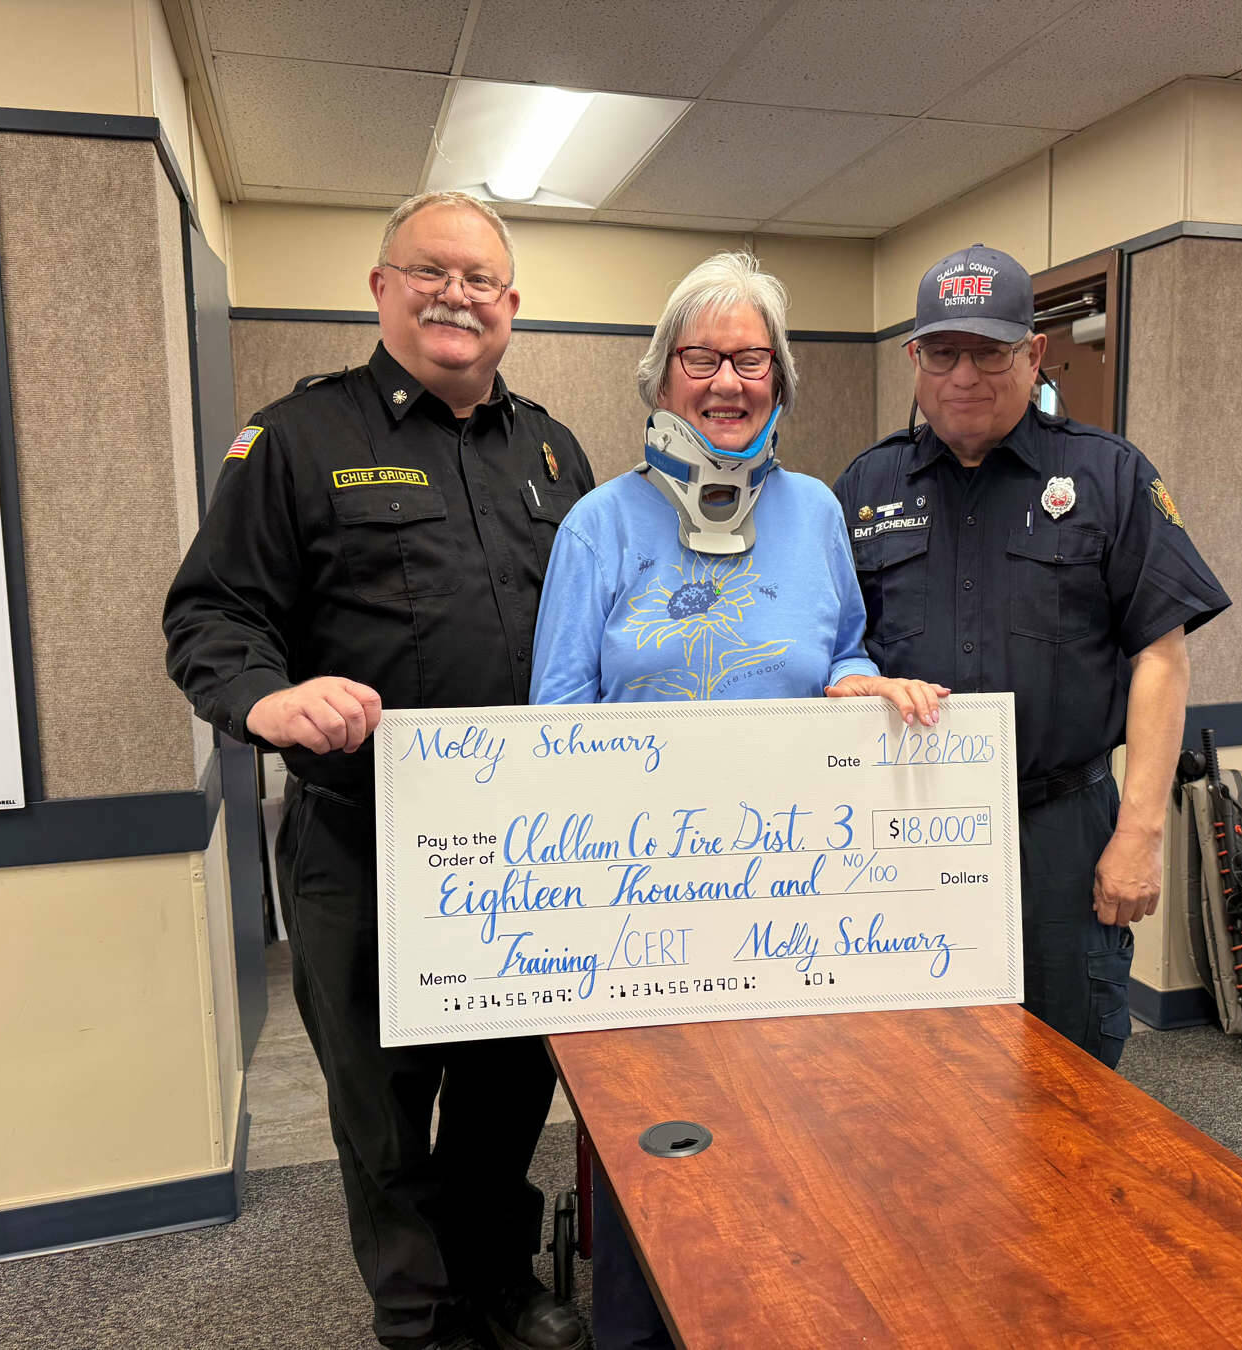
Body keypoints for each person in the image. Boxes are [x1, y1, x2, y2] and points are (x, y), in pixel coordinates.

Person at [163, 191, 592, 1350]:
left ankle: (501, 1283)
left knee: (508, 1096)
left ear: (511, 307)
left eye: (481, 281)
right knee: (385, 1109)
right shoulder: (297, 440)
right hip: (364, 842)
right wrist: (268, 698)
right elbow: (213, 615)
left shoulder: (555, 450)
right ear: (381, 285)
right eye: (430, 272)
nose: (457, 295)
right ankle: (422, 1318)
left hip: (524, 854)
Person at [529, 252, 947, 1350]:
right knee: (651, 1155)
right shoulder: (599, 528)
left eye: (751, 359)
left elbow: (841, 649)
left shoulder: (815, 517)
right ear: (661, 377)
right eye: (701, 357)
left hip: (794, 907)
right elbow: (556, 721)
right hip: (640, 915)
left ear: (781, 380)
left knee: (794, 1145)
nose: (727, 381)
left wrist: (862, 686)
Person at [834, 243, 1230, 1070]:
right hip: (909, 820)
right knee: (911, 1063)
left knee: (1069, 1063)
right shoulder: (866, 489)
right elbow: (836, 651)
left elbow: (1161, 657)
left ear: (1035, 352)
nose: (964, 375)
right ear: (915, 358)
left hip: (1059, 827)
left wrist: (1140, 834)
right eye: (942, 352)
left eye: (990, 351)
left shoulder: (1108, 477)